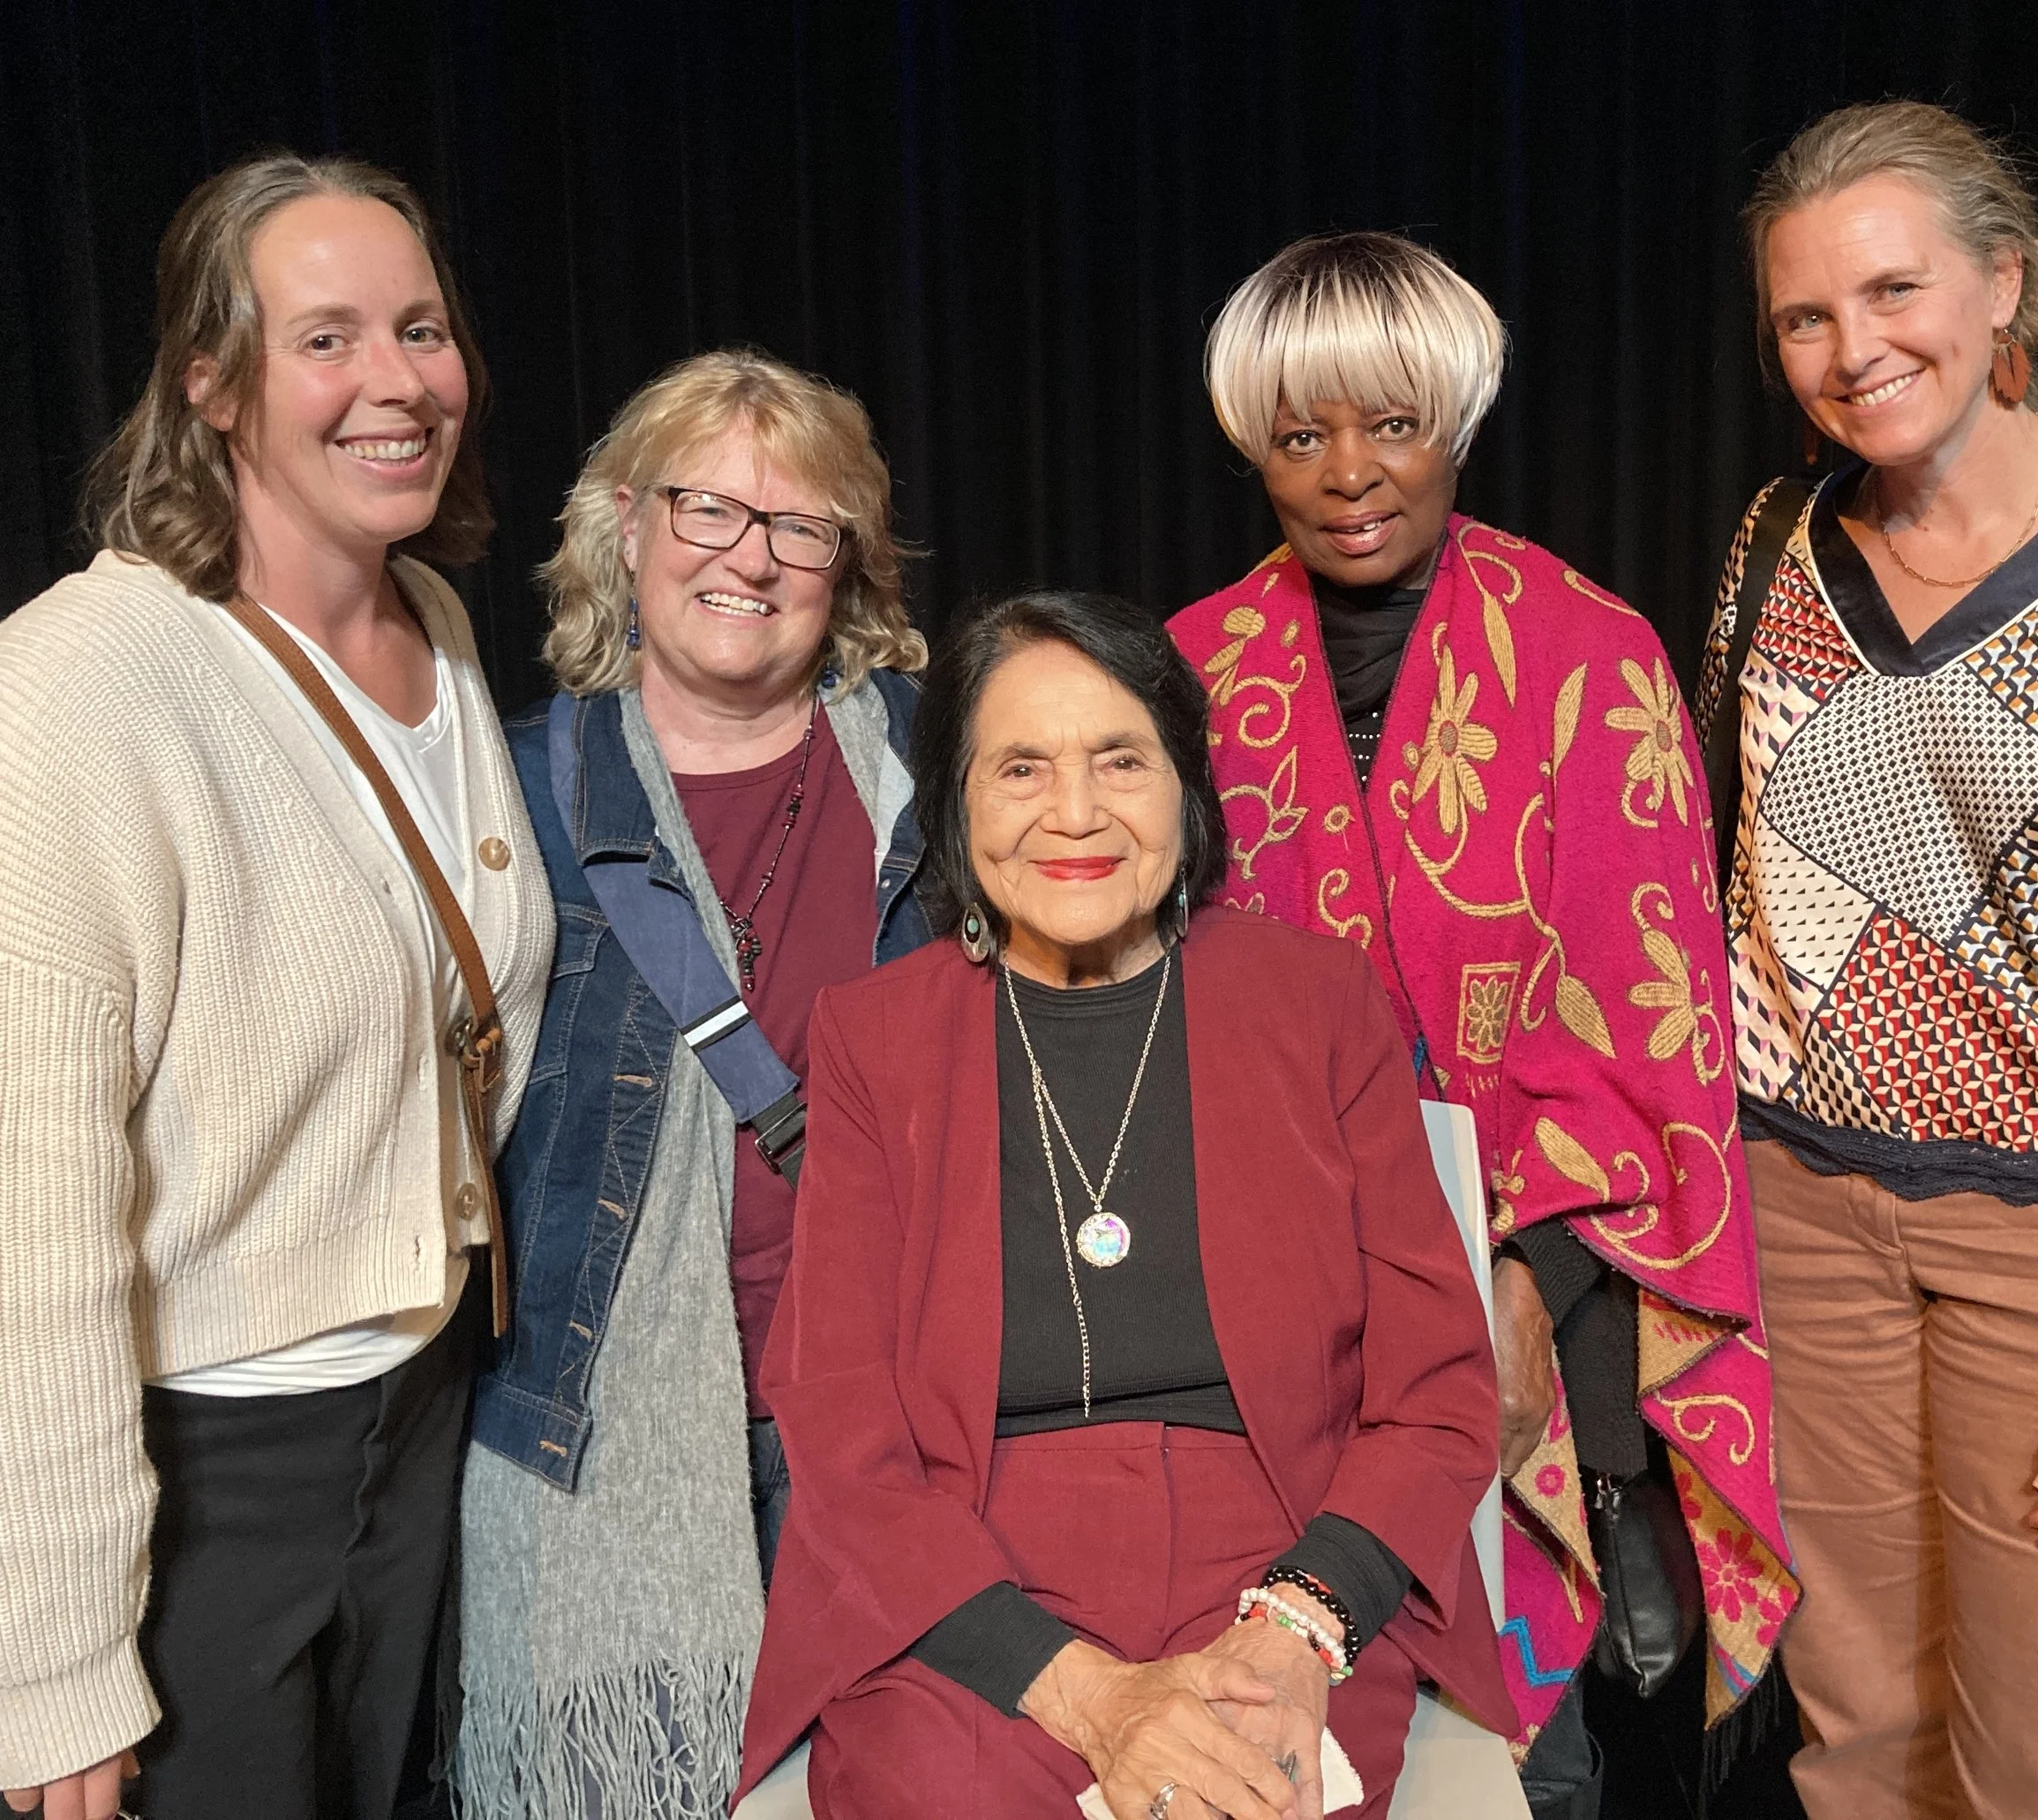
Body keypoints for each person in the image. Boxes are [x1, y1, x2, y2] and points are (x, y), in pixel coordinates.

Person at [1168, 231, 1797, 1818]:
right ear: (1255, 448)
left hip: (1553, 1271)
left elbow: (1661, 1030)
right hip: (1276, 1285)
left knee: (1533, 1753)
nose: (1349, 474)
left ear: (1458, 417)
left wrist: (1531, 1274)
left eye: (1392, 422)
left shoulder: (1594, 651)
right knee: (1305, 1707)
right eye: (1301, 436)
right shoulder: (1181, 673)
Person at [733, 589, 1515, 1819]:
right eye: (1023, 767)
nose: (1078, 813)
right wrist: (1088, 1693)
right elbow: (841, 1422)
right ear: (958, 803)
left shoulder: (1319, 1003)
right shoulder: (877, 1038)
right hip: (971, 1576)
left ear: (1187, 790)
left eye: (1121, 760)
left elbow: (1438, 1389)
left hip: (1280, 1546)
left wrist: (1298, 1628)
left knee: (1245, 1794)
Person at [0, 154, 553, 1820]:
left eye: (422, 328)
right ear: (212, 383)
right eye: (326, 338)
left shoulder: (439, 626)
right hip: (202, 1481)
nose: (396, 381)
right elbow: (30, 1221)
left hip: (427, 1405)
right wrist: (58, 1649)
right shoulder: (83, 691)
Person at [1696, 100, 2038, 1817]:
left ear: (2003, 285)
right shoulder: (1772, 546)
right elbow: (1721, 888)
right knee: (1856, 1738)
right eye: (1802, 317)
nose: (1852, 349)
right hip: (1801, 1223)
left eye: (1892, 289)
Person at [452, 349, 929, 1819]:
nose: (750, 556)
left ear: (844, 564)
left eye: (800, 525)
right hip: (601, 1426)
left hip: (894, 1413)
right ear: (625, 525)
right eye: (707, 508)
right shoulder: (508, 788)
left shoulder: (945, 769)